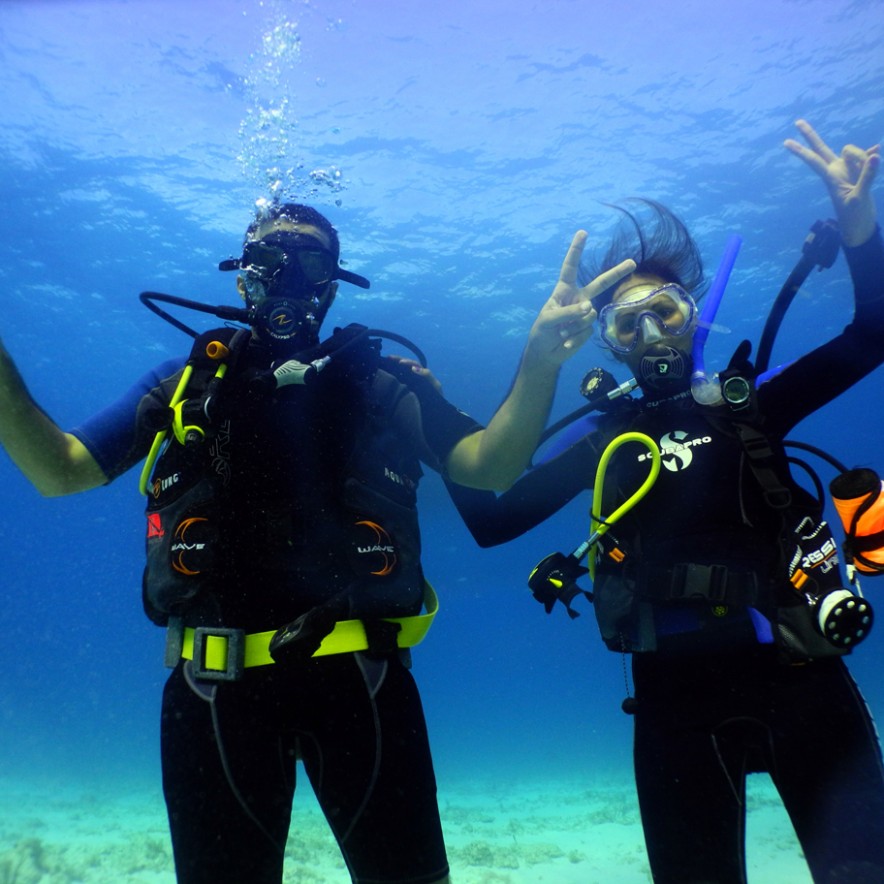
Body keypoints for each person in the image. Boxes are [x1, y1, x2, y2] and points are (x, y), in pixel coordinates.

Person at [0, 201, 634, 884]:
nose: (292, 280)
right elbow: (58, 470)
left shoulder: (381, 385)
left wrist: (540, 359)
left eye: (314, 263)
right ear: (245, 278)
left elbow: (492, 465)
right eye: (273, 260)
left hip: (361, 687)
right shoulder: (185, 383)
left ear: (334, 284)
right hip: (214, 693)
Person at [443, 121, 884, 883]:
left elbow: (873, 333)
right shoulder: (604, 443)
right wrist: (518, 369)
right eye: (627, 322)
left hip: (802, 676)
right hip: (676, 705)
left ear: (693, 317)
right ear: (608, 343)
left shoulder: (751, 407)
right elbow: (490, 517)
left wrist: (860, 228)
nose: (650, 333)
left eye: (667, 313)